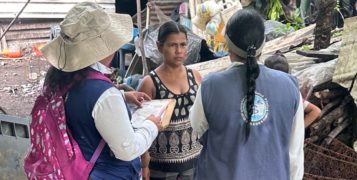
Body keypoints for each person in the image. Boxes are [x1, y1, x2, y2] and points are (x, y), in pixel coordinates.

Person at [41, 2, 161, 179]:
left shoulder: (58, 79)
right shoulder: (104, 94)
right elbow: (127, 150)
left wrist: (123, 96)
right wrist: (151, 125)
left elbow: (81, 105)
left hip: (74, 169)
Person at [189, 9, 304, 180]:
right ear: (263, 43)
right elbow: (294, 153)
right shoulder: (290, 86)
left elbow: (197, 126)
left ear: (227, 42)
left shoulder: (210, 85)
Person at [137, 21, 203, 180]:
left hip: (193, 161)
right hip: (161, 166)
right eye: (172, 45)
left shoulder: (195, 76)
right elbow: (139, 125)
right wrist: (144, 164)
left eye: (183, 45)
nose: (179, 51)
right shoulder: (150, 82)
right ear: (160, 47)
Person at [264, 52, 321, 128]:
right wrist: (297, 131)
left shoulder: (262, 91)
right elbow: (315, 111)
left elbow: (316, 111)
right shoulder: (290, 93)